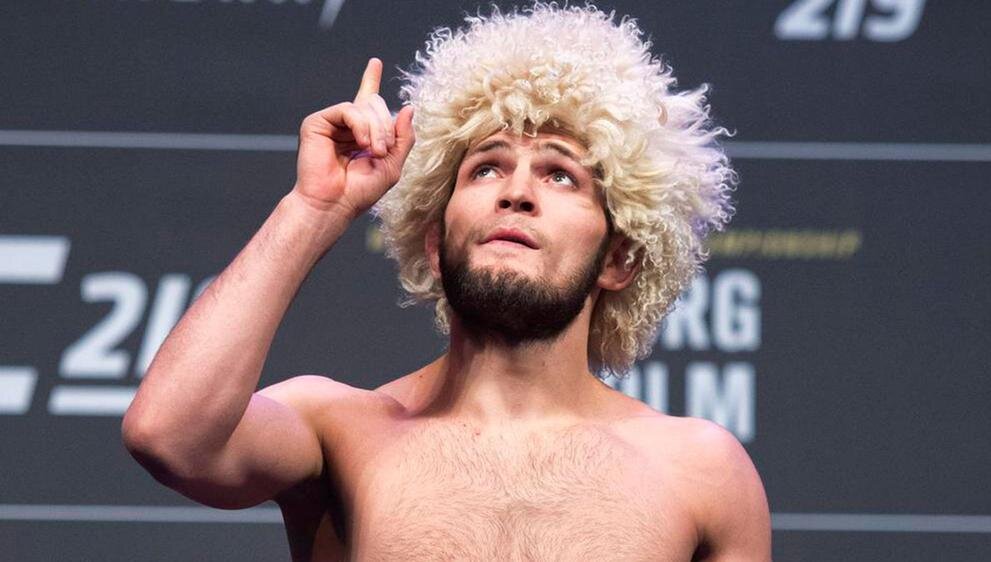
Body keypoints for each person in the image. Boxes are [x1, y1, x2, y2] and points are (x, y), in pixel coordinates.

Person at [122, 3, 771, 561]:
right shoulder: (340, 429)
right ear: (434, 242)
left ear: (617, 259)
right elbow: (170, 437)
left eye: (560, 175)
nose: (517, 192)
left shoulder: (700, 472)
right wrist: (315, 208)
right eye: (486, 168)